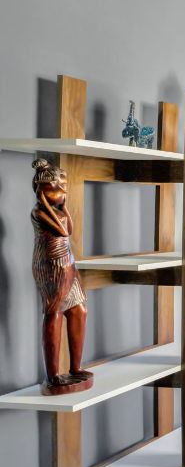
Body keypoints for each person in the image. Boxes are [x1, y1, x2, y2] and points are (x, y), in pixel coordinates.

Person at [31, 158, 91, 394]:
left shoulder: (57, 211)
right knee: (53, 312)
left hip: (69, 262)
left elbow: (71, 229)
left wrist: (63, 205)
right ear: (41, 191)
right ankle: (53, 375)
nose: (62, 193)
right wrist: (52, 205)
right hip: (52, 264)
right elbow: (63, 230)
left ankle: (75, 367)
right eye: (56, 188)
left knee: (79, 310)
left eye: (63, 188)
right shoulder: (38, 212)